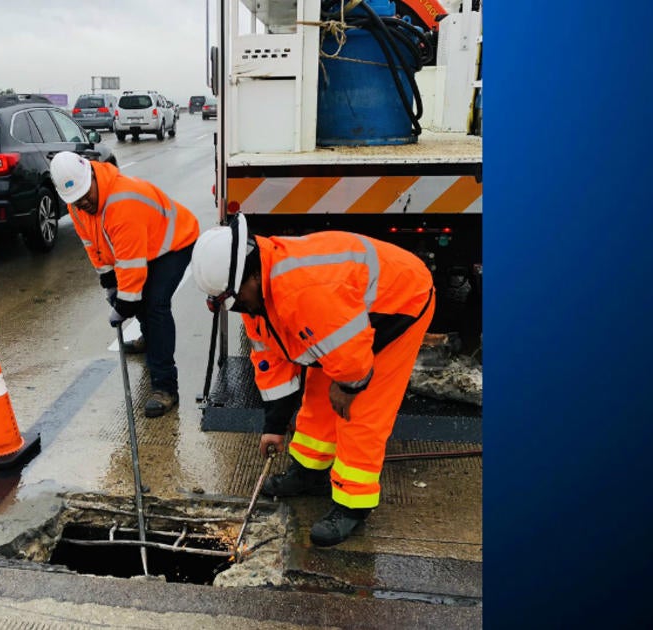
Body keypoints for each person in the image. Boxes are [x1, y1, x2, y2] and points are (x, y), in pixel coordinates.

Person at [189, 214, 434, 546]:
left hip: (399, 303)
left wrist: (349, 385)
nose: (238, 308)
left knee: (359, 412)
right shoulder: (258, 297)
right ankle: (309, 474)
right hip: (341, 319)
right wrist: (273, 426)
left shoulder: (305, 292)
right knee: (318, 397)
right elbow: (272, 362)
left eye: (236, 299)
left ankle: (352, 505)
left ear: (252, 274)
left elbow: (351, 360)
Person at [50, 152, 200, 417]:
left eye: (86, 195)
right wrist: (108, 280)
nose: (84, 203)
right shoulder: (77, 206)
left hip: (174, 241)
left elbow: (132, 266)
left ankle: (165, 388)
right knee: (140, 300)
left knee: (154, 305)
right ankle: (148, 339)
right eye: (76, 200)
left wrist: (123, 305)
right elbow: (92, 244)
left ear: (93, 176)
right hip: (145, 245)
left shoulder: (122, 201)